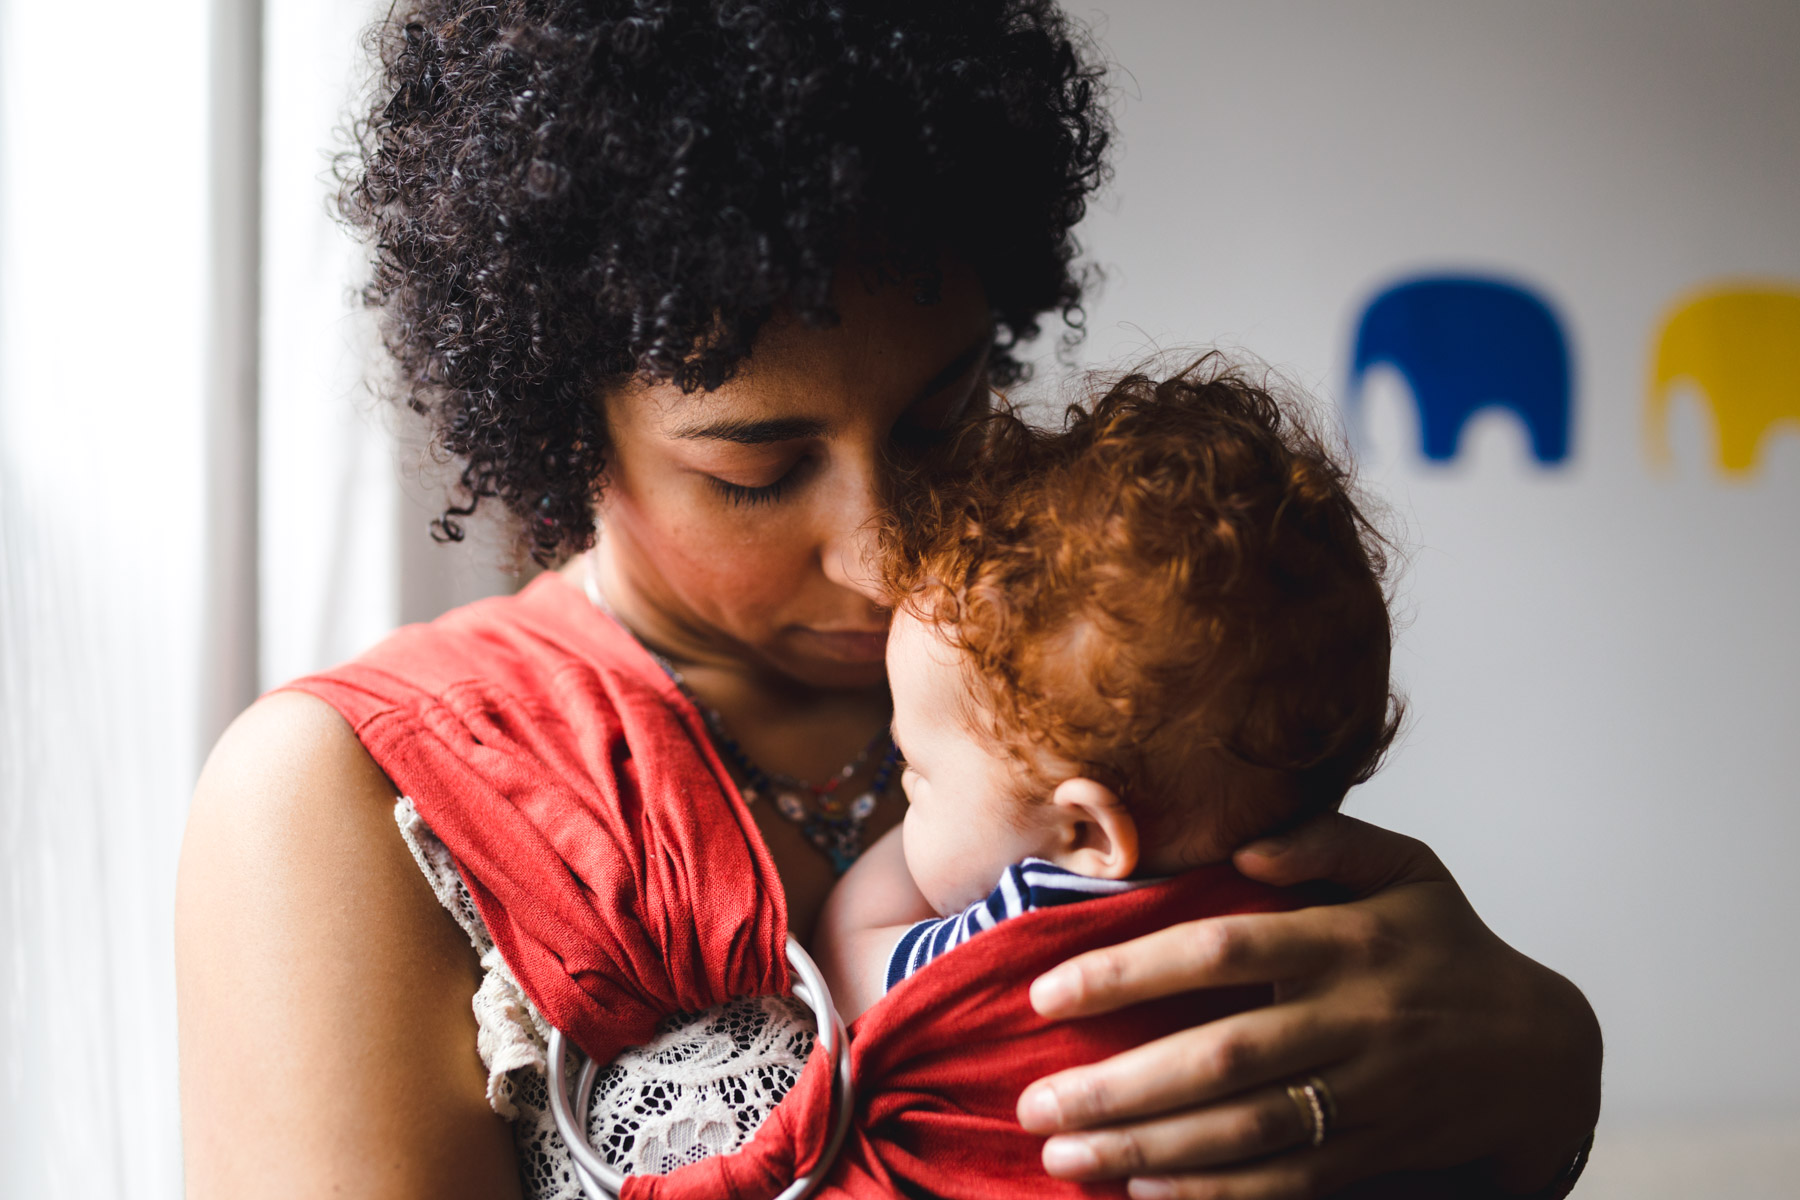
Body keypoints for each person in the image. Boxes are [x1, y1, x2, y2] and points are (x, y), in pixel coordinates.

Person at [174, 3, 1601, 1199]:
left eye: (946, 414)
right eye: (759, 469)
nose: (890, 552)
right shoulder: (348, 799)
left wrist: (1544, 1069)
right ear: (558, 425)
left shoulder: (1122, 654)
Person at [815, 360, 1400, 1025]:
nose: (904, 790)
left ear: (1084, 833)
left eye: (919, 773)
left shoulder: (1023, 932)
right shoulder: (1335, 925)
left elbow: (842, 959)